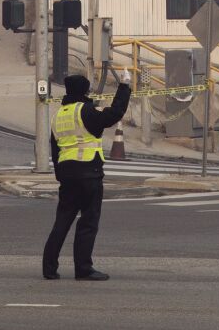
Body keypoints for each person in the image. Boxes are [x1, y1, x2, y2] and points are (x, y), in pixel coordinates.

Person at [42, 70, 132, 282]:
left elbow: (55, 150)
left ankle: (49, 268)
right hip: (88, 174)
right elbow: (114, 114)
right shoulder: (85, 111)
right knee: (88, 223)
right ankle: (83, 268)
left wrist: (60, 175)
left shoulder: (59, 115)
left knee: (62, 222)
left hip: (67, 176)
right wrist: (124, 87)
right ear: (84, 90)